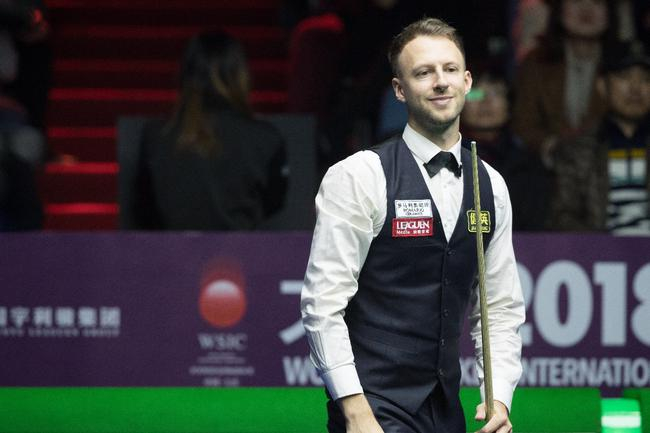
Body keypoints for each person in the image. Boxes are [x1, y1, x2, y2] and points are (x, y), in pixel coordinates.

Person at [301, 17, 525, 433]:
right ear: (400, 89)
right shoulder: (360, 175)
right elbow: (322, 304)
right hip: (373, 405)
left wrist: (499, 397)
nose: (440, 82)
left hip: (446, 409)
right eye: (423, 73)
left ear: (466, 81)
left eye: (450, 69)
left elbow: (498, 306)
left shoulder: (490, 184)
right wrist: (354, 410)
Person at [134, 31, 289, 230]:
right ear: (240, 75)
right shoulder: (266, 138)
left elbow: (144, 209)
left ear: (185, 75)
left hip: (171, 249)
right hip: (240, 249)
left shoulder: (156, 135)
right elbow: (273, 202)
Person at [550, 40, 650, 233]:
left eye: (646, 79)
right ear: (602, 85)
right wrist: (601, 245)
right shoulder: (577, 150)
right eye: (624, 77)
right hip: (599, 251)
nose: (635, 88)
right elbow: (562, 217)